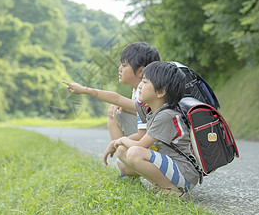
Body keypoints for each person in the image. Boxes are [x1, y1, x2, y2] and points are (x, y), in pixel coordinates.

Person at [62, 61, 199, 197]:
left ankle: (171, 189)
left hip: (185, 173)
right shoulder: (150, 108)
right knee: (123, 150)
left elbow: (140, 145)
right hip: (172, 167)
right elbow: (118, 99)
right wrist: (85, 90)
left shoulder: (167, 115)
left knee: (134, 152)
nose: (140, 86)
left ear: (161, 92)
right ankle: (160, 185)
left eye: (145, 82)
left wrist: (119, 140)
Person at [105, 42, 159, 142]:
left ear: (140, 72)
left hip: (155, 141)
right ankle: (123, 153)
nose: (119, 69)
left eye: (124, 65)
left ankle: (123, 153)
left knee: (115, 115)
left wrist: (118, 143)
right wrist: (123, 106)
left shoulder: (145, 91)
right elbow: (141, 112)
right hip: (151, 136)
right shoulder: (138, 88)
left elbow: (144, 130)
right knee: (117, 112)